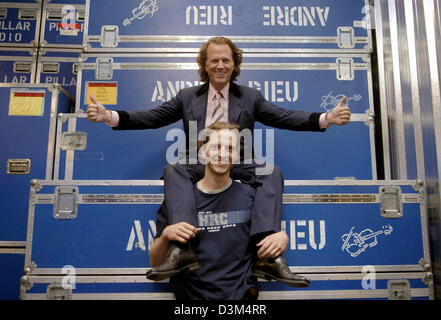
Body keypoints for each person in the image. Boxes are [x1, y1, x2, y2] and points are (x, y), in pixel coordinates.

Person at [86, 36, 351, 286]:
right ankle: (182, 249)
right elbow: (153, 117)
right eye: (214, 60)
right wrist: (109, 115)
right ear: (204, 65)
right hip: (201, 160)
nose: (220, 65)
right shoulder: (188, 97)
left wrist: (326, 118)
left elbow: (284, 116)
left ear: (235, 64)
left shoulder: (250, 97)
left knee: (271, 172)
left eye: (226, 60)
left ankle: (266, 255)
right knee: (174, 168)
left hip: (237, 161)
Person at [148, 121, 297, 300]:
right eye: (216, 147)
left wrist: (280, 237)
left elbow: (265, 244)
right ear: (203, 151)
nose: (222, 155)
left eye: (230, 149)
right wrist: (166, 235)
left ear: (237, 155)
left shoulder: (253, 198)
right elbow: (156, 263)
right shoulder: (178, 201)